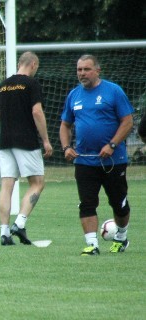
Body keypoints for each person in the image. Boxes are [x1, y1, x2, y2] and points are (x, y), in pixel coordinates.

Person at [59, 54, 134, 256]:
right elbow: (65, 125)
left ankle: (121, 237)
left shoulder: (113, 91)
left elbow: (127, 122)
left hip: (113, 160)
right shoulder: (74, 95)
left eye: (86, 69)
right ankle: (92, 245)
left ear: (97, 70)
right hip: (84, 161)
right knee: (87, 203)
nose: (82, 73)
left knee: (118, 203)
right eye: (79, 70)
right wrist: (66, 147)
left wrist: (112, 144)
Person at [0, 51, 53, 246]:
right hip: (25, 140)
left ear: (19, 63)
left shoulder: (5, 84)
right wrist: (46, 140)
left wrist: (9, 119)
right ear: (33, 64)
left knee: (7, 185)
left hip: (5, 141)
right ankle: (20, 223)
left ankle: (4, 233)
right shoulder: (31, 84)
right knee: (37, 183)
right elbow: (37, 111)